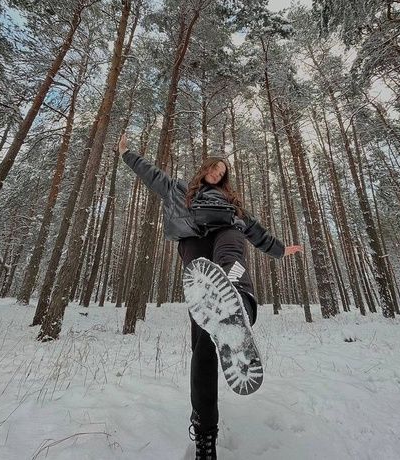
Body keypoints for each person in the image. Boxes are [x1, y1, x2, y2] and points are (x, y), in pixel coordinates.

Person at [118, 133, 302, 460]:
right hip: (194, 246)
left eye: (222, 171)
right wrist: (126, 153)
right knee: (203, 344)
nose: (217, 173)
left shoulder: (232, 205)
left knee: (232, 254)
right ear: (203, 170)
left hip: (225, 234)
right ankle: (205, 433)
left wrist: (280, 249)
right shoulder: (178, 190)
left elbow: (255, 229)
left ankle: (239, 305)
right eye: (214, 168)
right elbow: (151, 174)